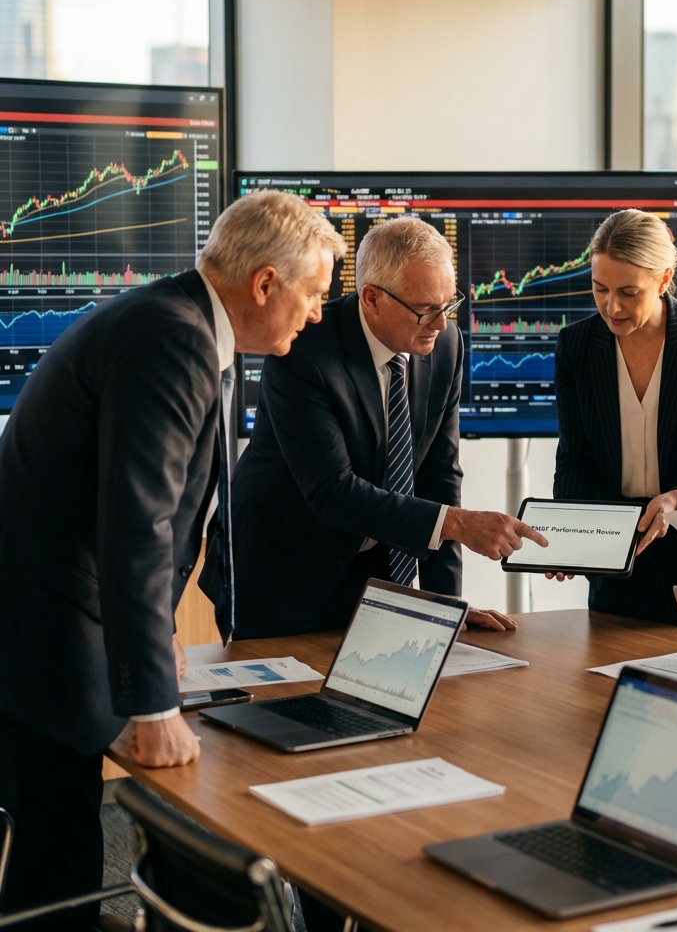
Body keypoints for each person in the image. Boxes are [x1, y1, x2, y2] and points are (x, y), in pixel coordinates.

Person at [0, 190, 343, 929]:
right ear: (264, 284)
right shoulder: (174, 338)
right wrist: (150, 701)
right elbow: (137, 524)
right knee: (56, 866)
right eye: (313, 295)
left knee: (53, 847)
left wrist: (155, 646)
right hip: (47, 635)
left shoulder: (175, 319)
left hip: (53, 619)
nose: (316, 314)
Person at [223, 216, 546, 643]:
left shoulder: (445, 345)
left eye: (449, 305)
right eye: (426, 310)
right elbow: (332, 490)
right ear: (372, 298)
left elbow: (438, 475)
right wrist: (459, 524)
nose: (441, 324)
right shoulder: (303, 350)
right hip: (282, 575)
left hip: (371, 578)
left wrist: (444, 608)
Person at [551, 209, 677, 624]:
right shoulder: (576, 346)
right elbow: (574, 459)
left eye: (629, 292)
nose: (611, 307)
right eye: (599, 289)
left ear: (664, 280)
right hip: (618, 561)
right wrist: (567, 536)